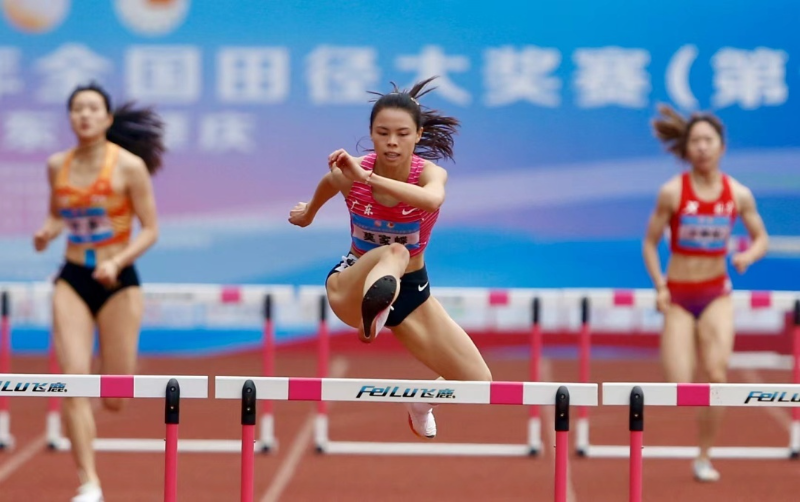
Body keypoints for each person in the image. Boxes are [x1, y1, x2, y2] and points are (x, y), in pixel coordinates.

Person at [288, 76, 492, 439]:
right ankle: (374, 309)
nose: (392, 142)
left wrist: (367, 178)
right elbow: (329, 183)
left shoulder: (428, 174)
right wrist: (308, 213)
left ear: (418, 135)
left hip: (412, 290)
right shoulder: (348, 174)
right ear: (371, 133)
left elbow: (432, 199)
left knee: (478, 382)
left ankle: (421, 404)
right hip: (352, 282)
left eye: (401, 133)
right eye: (382, 133)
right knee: (395, 251)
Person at [33, 82, 164, 502]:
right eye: (77, 109)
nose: (85, 115)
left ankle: (111, 397)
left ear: (107, 118)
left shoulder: (128, 167)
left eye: (92, 108)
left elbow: (151, 230)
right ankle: (89, 483)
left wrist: (117, 262)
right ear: (70, 118)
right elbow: (58, 214)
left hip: (118, 281)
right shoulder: (57, 165)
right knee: (73, 381)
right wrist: (46, 232)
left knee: (114, 398)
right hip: (73, 277)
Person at [642, 104, 769, 482]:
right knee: (679, 384)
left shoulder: (738, 194)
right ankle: (698, 445)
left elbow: (761, 237)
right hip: (679, 297)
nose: (701, 147)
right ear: (686, 148)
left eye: (708, 140)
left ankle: (704, 455)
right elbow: (649, 244)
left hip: (716, 294)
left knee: (716, 375)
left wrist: (747, 255)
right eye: (695, 141)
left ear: (721, 147)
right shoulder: (672, 192)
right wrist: (660, 286)